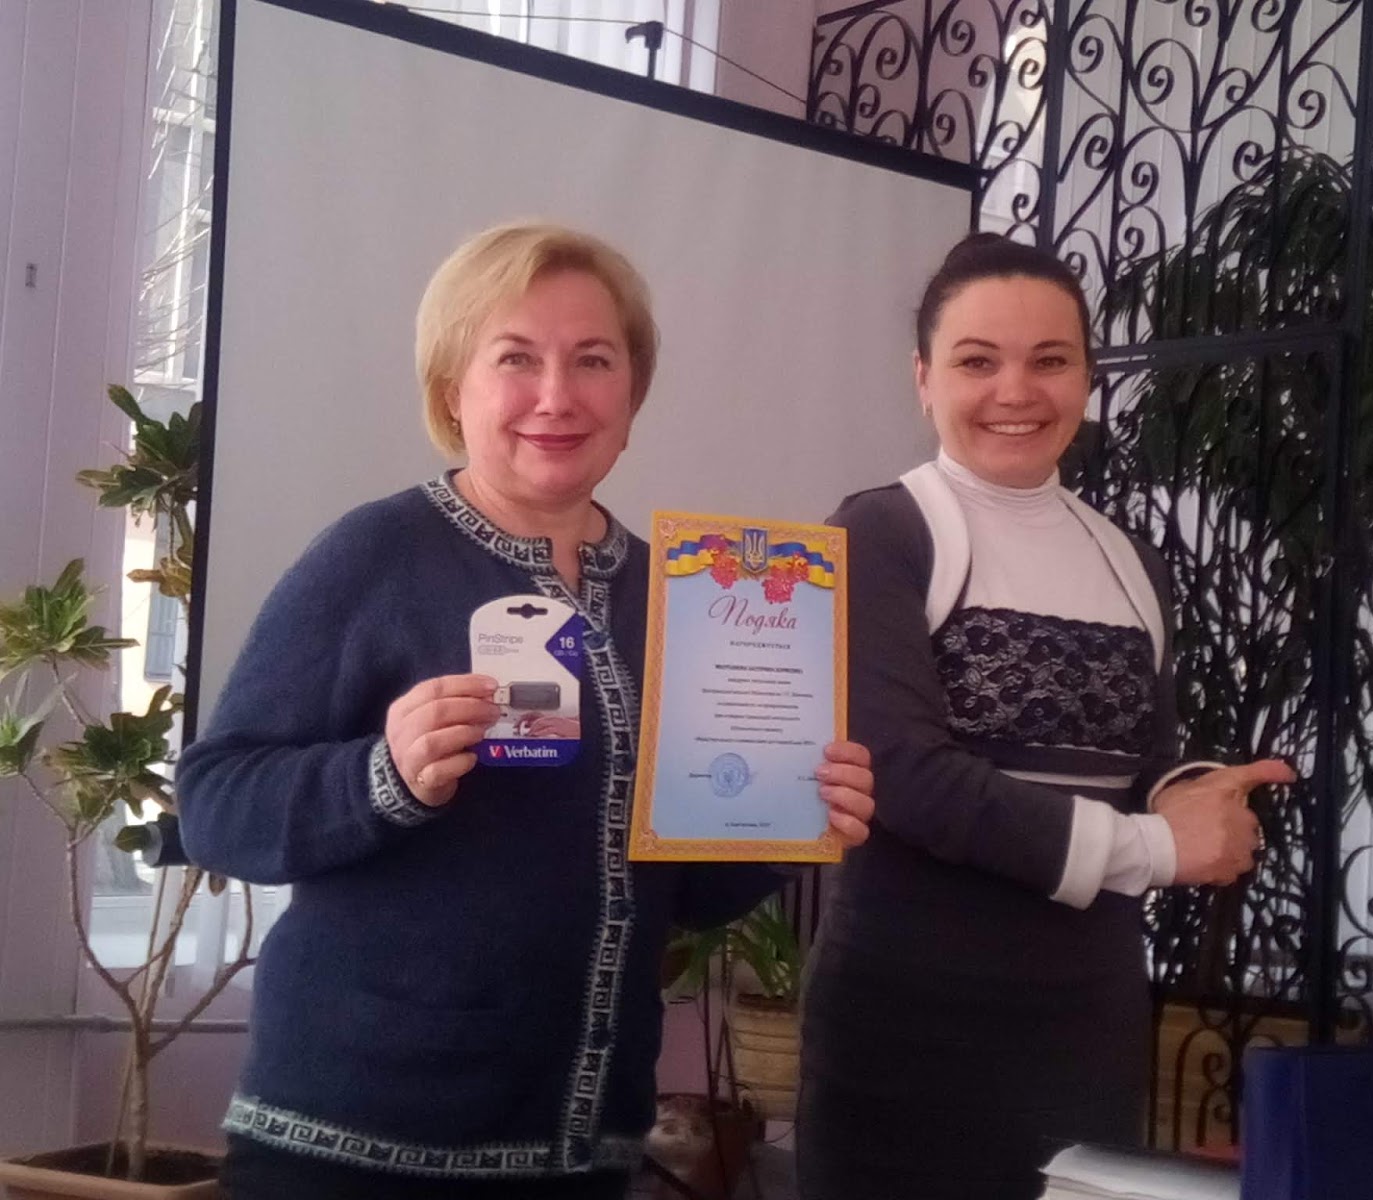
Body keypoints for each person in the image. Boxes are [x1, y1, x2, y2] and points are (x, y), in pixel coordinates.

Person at [177, 221, 875, 1200]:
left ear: (631, 395)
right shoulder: (374, 556)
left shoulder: (681, 597)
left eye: (593, 360)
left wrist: (785, 816)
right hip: (355, 1152)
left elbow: (678, 889)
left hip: (585, 1155)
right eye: (516, 359)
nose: (557, 395)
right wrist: (383, 775)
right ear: (451, 390)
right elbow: (214, 804)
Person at [794, 233, 1293, 1200]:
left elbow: (1139, 757)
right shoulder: (878, 532)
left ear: (1088, 377)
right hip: (904, 1025)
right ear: (923, 379)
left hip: (1085, 1022)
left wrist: (1193, 792)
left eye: (1050, 360)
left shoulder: (1132, 560)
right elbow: (908, 775)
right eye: (977, 361)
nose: (1015, 391)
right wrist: (1157, 848)